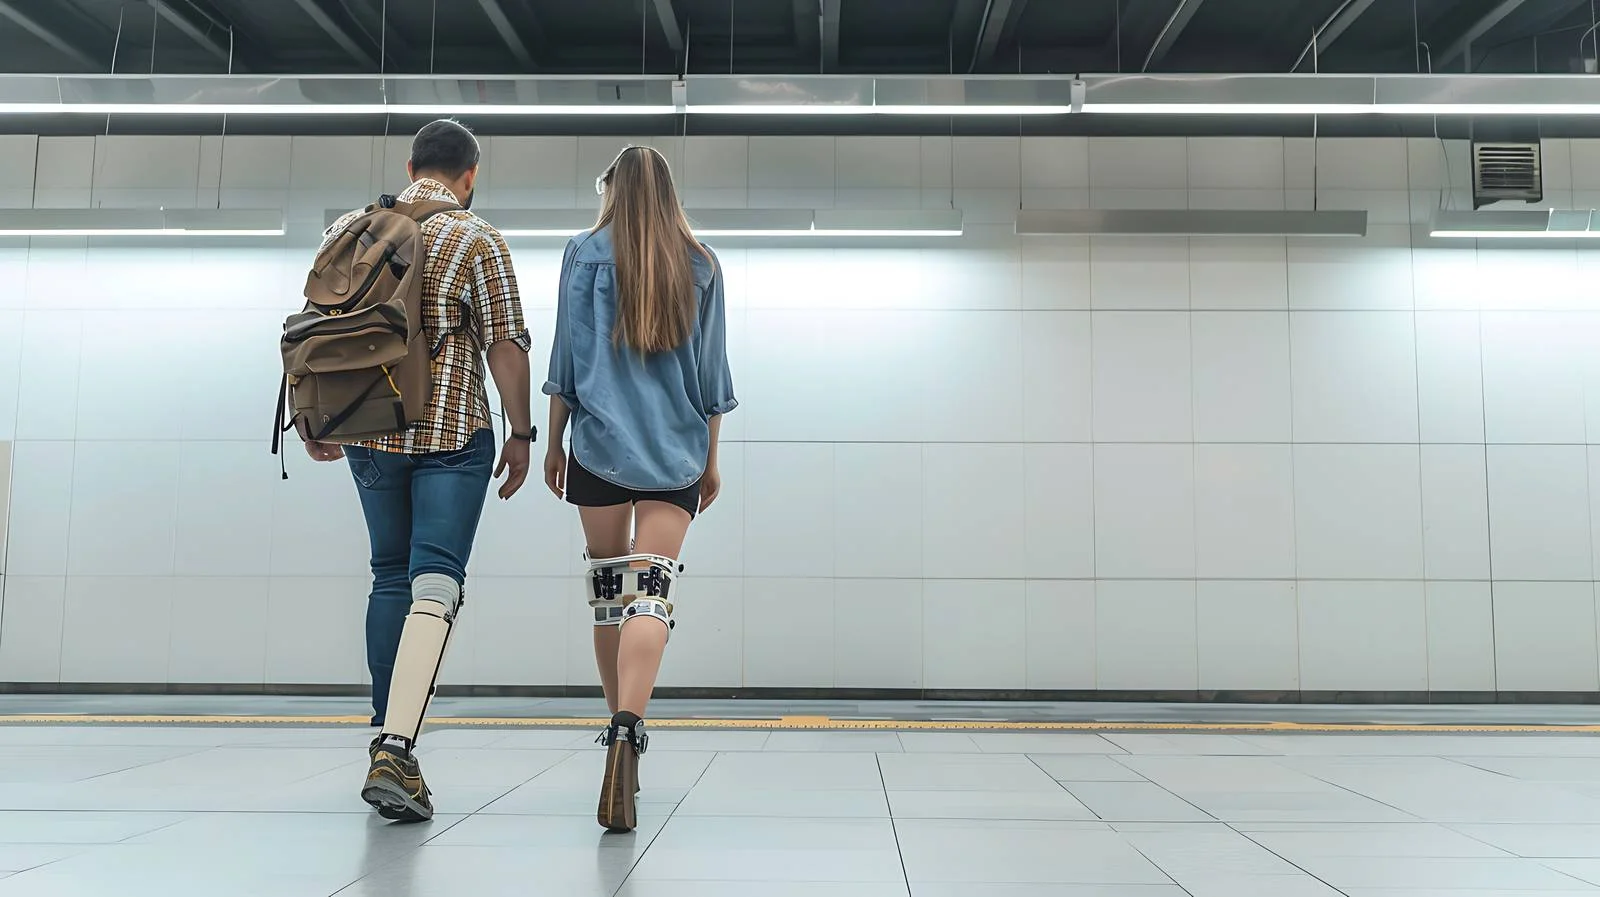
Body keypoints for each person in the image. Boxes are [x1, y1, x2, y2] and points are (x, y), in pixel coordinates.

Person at [305, 119, 534, 823]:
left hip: (370, 434)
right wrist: (522, 431)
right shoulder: (479, 238)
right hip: (452, 437)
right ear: (471, 175)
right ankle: (397, 746)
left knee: (390, 575)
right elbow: (505, 344)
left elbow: (316, 325)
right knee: (437, 581)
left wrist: (314, 415)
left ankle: (386, 736)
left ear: (410, 165)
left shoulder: (351, 226)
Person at [542, 145, 737, 833]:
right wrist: (710, 460)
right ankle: (631, 728)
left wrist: (552, 439)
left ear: (612, 191)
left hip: (597, 451)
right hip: (676, 455)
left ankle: (611, 735)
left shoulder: (581, 253)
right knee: (652, 593)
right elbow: (713, 379)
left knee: (608, 596)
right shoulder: (703, 263)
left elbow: (565, 359)